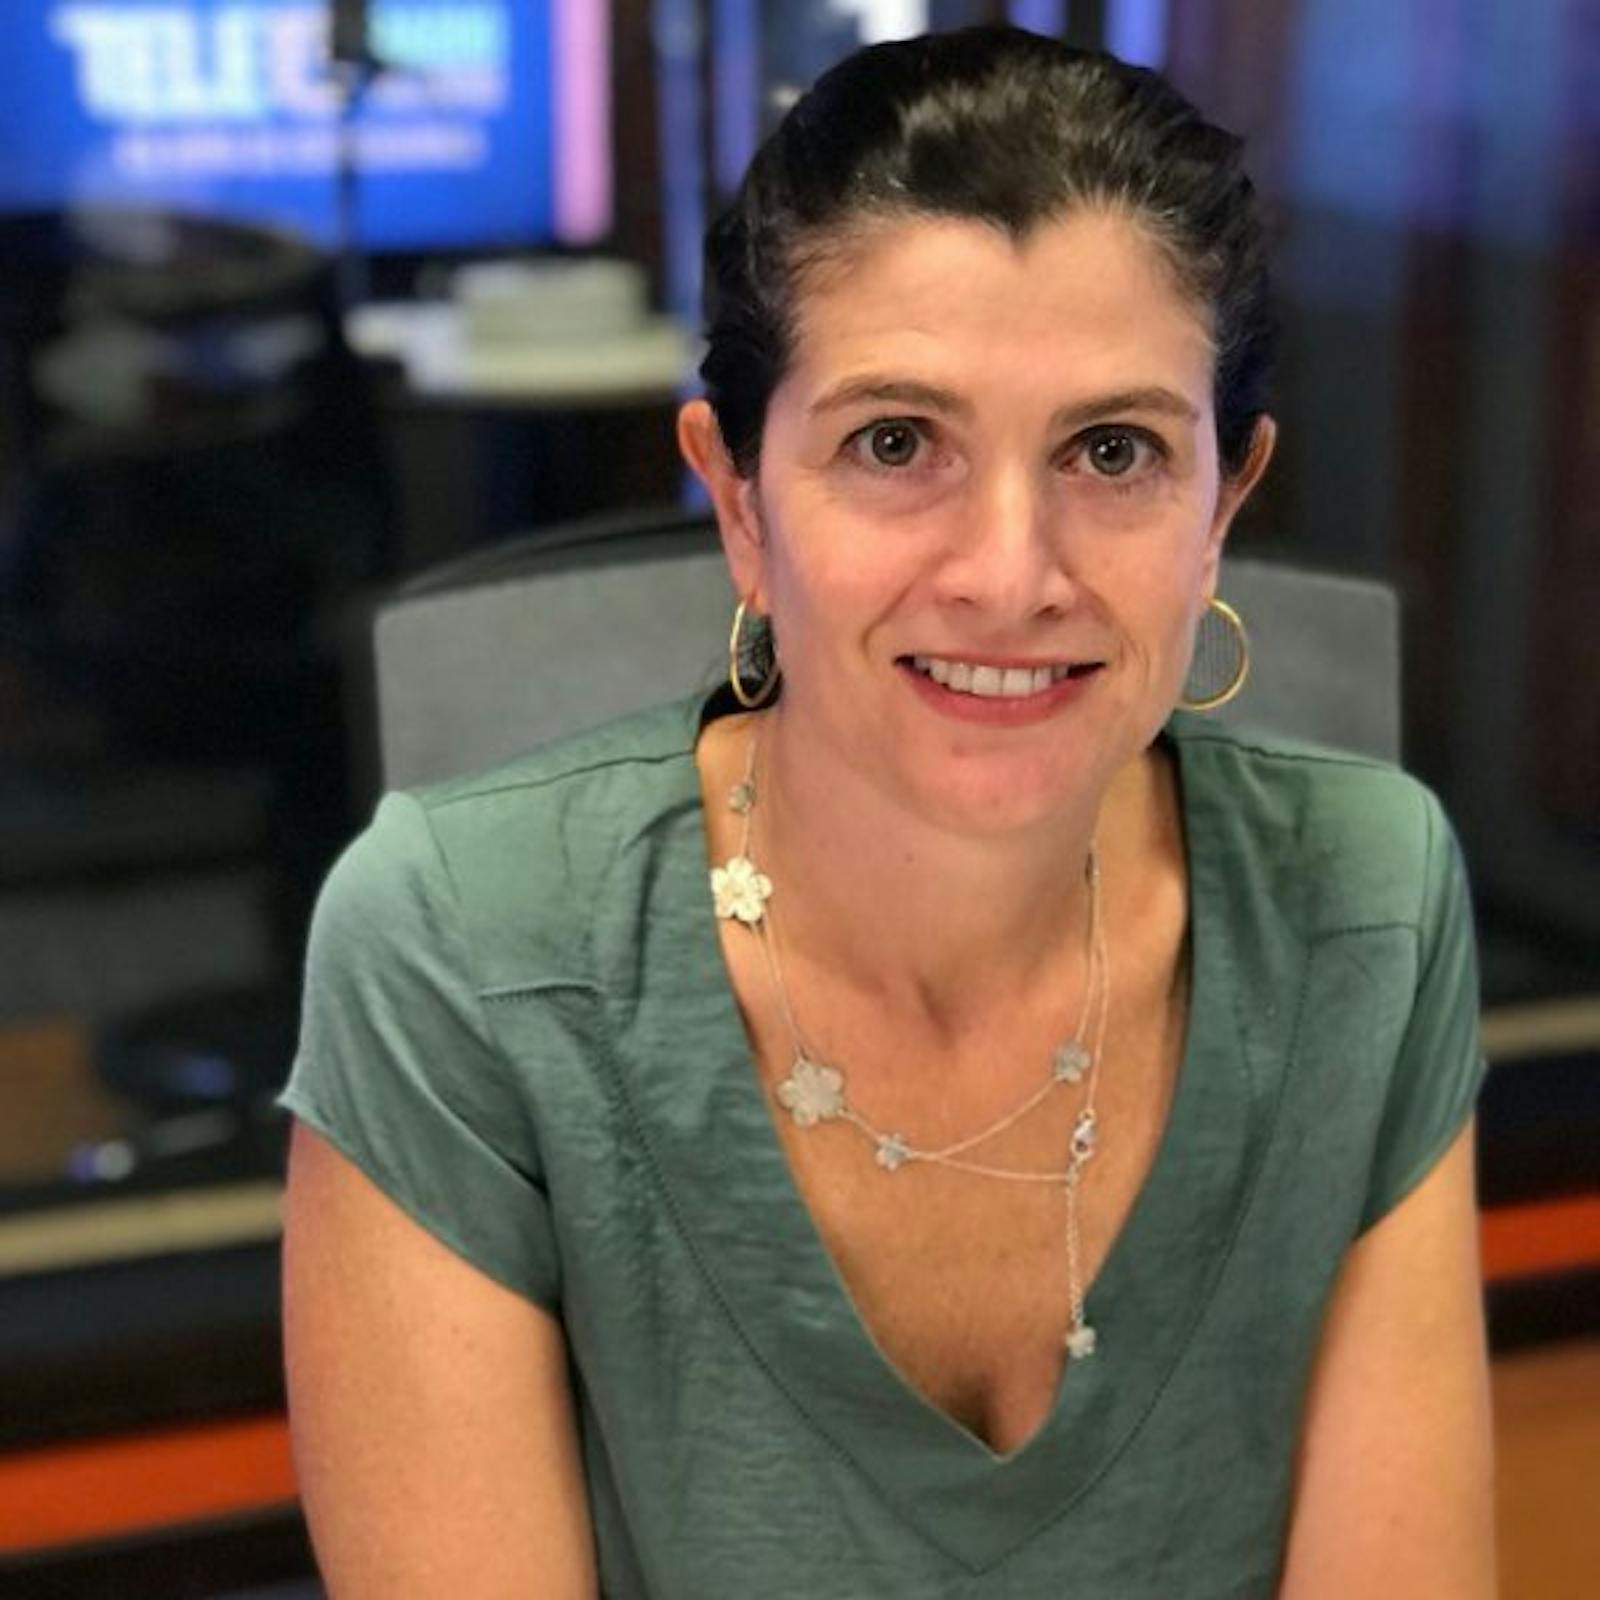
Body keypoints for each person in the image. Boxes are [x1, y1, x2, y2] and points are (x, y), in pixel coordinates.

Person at [277, 27, 1495, 1599]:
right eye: (896, 442)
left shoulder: (1370, 897)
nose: (1009, 574)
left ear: (1223, 510)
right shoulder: (453, 945)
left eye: (1113, 450)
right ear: (738, 498)